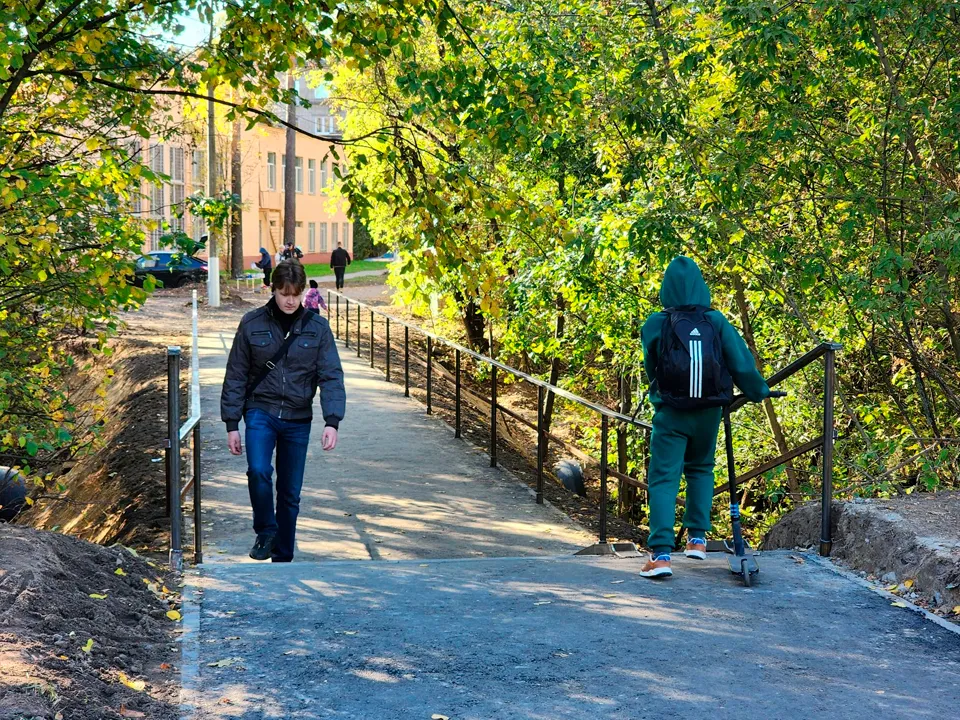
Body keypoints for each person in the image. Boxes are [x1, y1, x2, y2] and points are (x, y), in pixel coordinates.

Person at [638, 256, 769, 579]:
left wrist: (663, 395)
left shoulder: (656, 323)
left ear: (666, 288)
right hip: (710, 410)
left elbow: (651, 368)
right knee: (701, 469)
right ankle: (697, 539)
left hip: (671, 413)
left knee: (665, 478)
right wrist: (757, 391)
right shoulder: (716, 320)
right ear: (701, 285)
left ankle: (661, 555)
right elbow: (739, 363)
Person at [220, 261, 346, 562]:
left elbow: (331, 376)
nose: (290, 300)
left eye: (296, 294)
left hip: (298, 418)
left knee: (290, 494)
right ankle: (265, 531)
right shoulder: (251, 323)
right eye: (284, 293)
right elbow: (236, 374)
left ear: (303, 292)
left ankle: (283, 556)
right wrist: (231, 423)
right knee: (259, 470)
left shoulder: (318, 328)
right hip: (260, 411)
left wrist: (332, 421)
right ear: (273, 290)